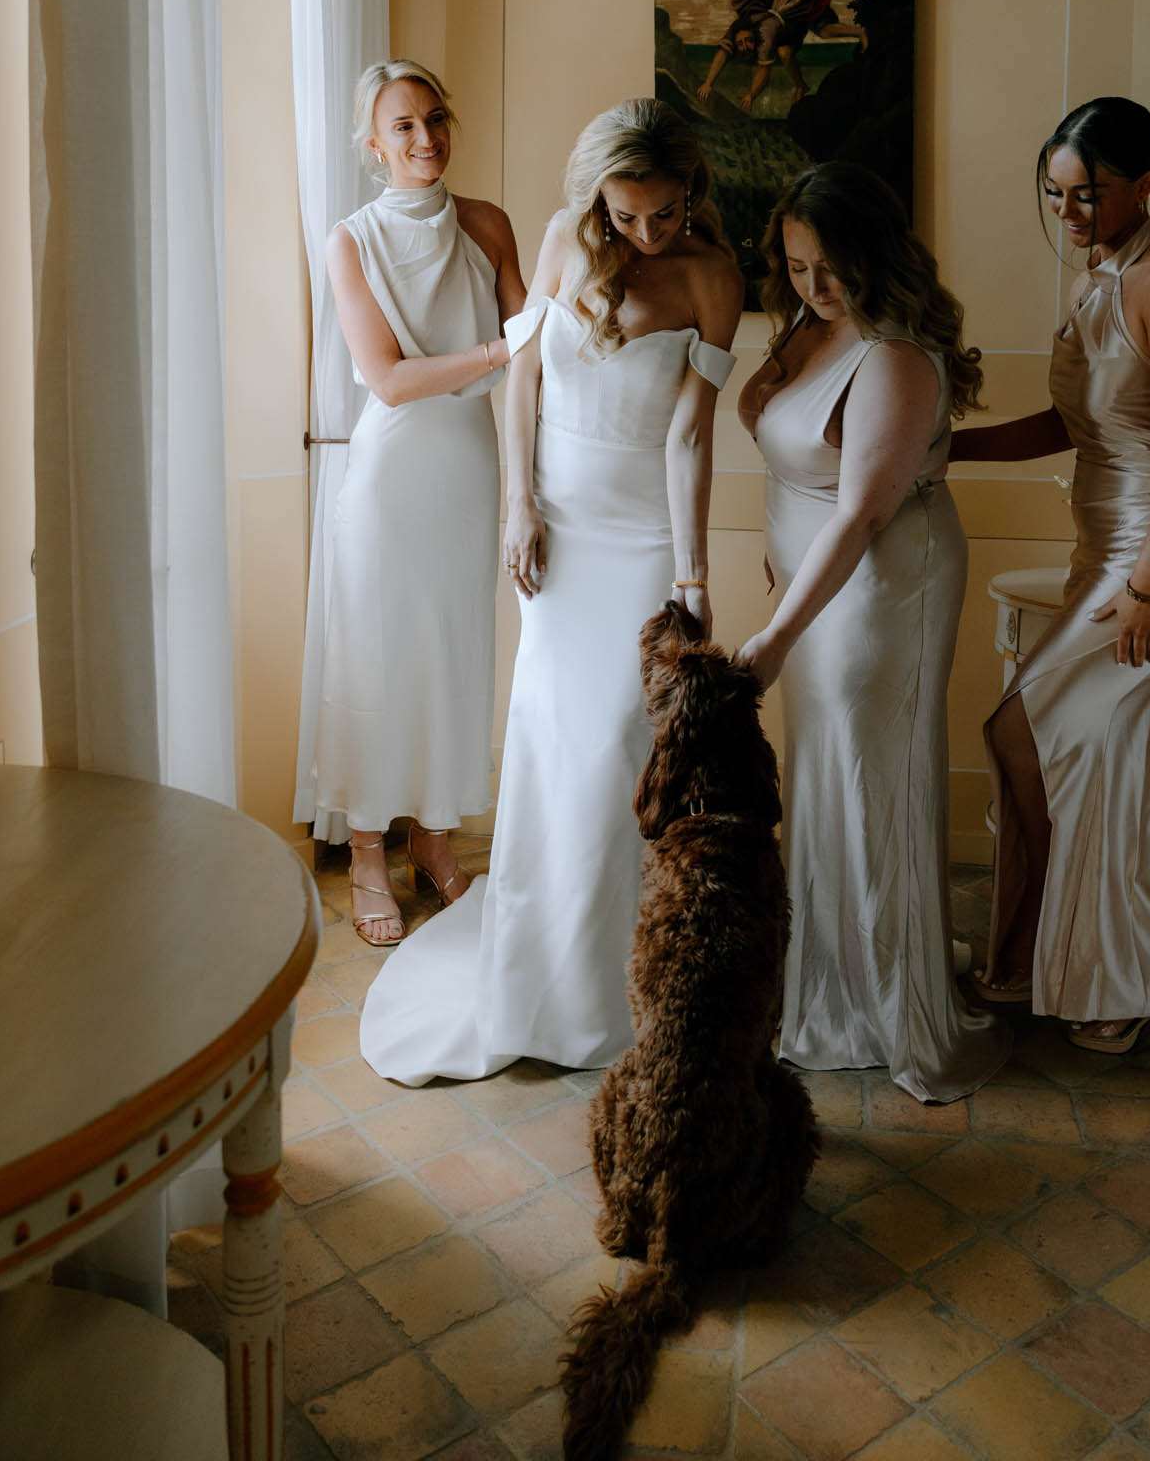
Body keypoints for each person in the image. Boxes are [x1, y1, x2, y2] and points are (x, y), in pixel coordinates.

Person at [361, 98, 743, 1082]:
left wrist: (692, 572)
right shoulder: (563, 238)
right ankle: (539, 969)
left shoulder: (712, 272)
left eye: (663, 212)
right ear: (597, 197)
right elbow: (522, 377)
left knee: (620, 743)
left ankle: (614, 979)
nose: (645, 233)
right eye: (627, 214)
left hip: (645, 534)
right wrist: (517, 504)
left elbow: (691, 433)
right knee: (550, 741)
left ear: (689, 193)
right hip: (559, 535)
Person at [952, 97, 1150, 1053]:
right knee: (1056, 749)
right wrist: (943, 449)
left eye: (1088, 196)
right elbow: (1064, 426)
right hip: (1103, 549)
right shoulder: (1097, 278)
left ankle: (1118, 969)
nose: (1069, 215)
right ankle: (1048, 952)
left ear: (1145, 183)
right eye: (1056, 195)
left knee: (1047, 742)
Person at [737, 163, 1010, 1101]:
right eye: (797, 264)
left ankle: (884, 998)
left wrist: (773, 635)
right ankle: (827, 972)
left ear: (874, 250)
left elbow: (856, 517)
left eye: (829, 265)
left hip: (878, 585)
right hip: (814, 580)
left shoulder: (890, 353)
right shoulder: (812, 328)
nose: (813, 285)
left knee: (867, 768)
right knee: (825, 766)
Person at [313, 60, 525, 947]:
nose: (424, 138)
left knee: (452, 656)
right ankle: (367, 851)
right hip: (392, 477)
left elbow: (540, 338)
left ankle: (434, 844)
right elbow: (391, 380)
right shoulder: (350, 240)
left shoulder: (486, 224)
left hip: (469, 472)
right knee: (378, 660)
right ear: (373, 145)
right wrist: (494, 353)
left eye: (434, 118)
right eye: (401, 126)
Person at [697, 0, 860, 112]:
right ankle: (801, 85)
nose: (745, 46)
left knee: (816, 35)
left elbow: (763, 70)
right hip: (783, 16)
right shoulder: (738, 26)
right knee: (784, 51)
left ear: (755, 36)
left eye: (748, 41)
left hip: (794, 17)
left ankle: (860, 32)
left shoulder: (764, 33)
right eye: (740, 44)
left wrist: (751, 95)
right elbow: (723, 52)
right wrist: (708, 83)